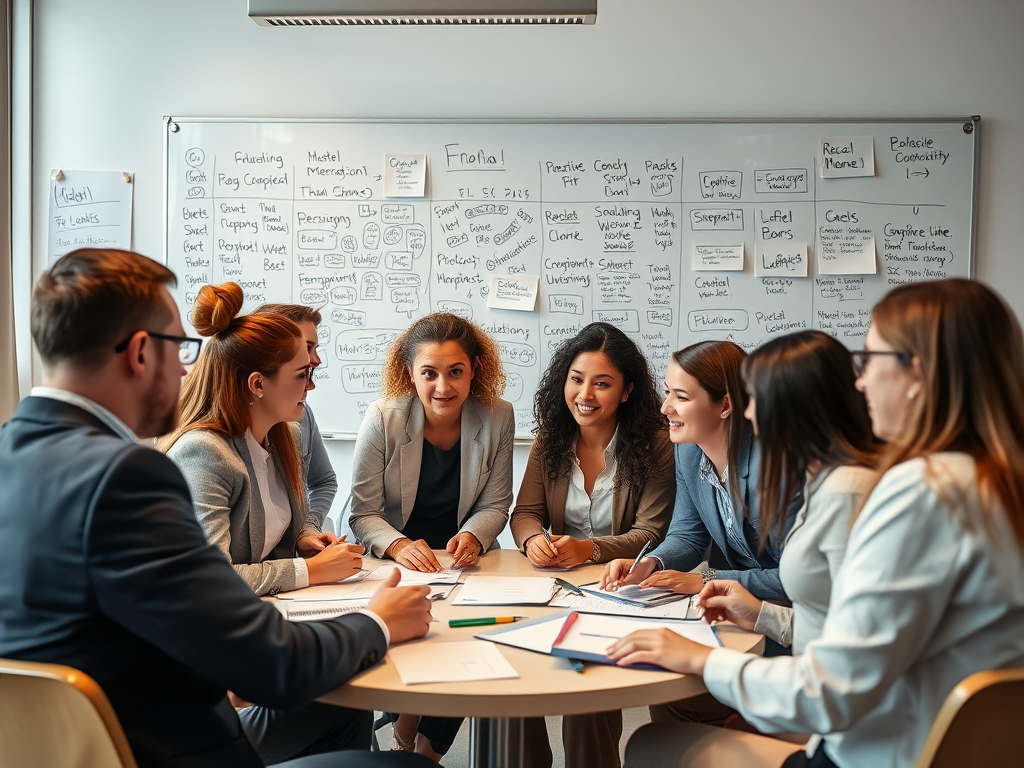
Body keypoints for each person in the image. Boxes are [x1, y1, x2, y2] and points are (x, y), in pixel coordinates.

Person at [0, 248, 434, 768]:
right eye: (181, 347)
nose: (189, 370)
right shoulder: (127, 478)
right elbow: (266, 665)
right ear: (140, 352)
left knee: (338, 716)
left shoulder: (12, 453)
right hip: (166, 750)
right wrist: (378, 622)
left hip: (61, 749)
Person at [613, 279, 1024, 768]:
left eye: (870, 361)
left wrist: (702, 659)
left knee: (646, 747)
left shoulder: (916, 491)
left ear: (919, 373)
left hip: (878, 751)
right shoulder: (990, 483)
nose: (860, 382)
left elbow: (833, 690)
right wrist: (758, 615)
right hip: (942, 741)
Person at [163, 282, 378, 763]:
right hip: (207, 699)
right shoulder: (205, 453)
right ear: (258, 384)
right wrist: (311, 571)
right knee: (344, 693)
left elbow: (278, 528)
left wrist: (305, 540)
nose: (313, 385)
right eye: (302, 374)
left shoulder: (276, 437)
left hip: (262, 639)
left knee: (351, 698)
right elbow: (211, 583)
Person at [348, 311, 515, 761]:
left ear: (475, 370)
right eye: (430, 373)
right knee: (425, 637)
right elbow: (361, 514)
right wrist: (400, 545)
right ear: (410, 374)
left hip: (466, 559)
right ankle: (410, 734)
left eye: (456, 372)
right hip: (396, 557)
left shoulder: (497, 416)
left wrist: (475, 537)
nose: (443, 386)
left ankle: (423, 749)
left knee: (466, 638)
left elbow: (496, 505)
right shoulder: (384, 417)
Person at [510, 322, 674, 768]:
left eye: (603, 383)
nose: (586, 394)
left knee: (586, 694)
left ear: (626, 391)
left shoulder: (657, 444)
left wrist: (590, 549)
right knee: (514, 683)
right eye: (577, 379)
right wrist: (531, 543)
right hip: (552, 586)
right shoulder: (551, 439)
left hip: (617, 588)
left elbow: (652, 532)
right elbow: (525, 514)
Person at [253, 302, 337, 529]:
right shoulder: (211, 448)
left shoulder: (301, 416)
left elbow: (323, 481)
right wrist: (305, 567)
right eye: (307, 348)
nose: (316, 359)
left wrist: (307, 529)